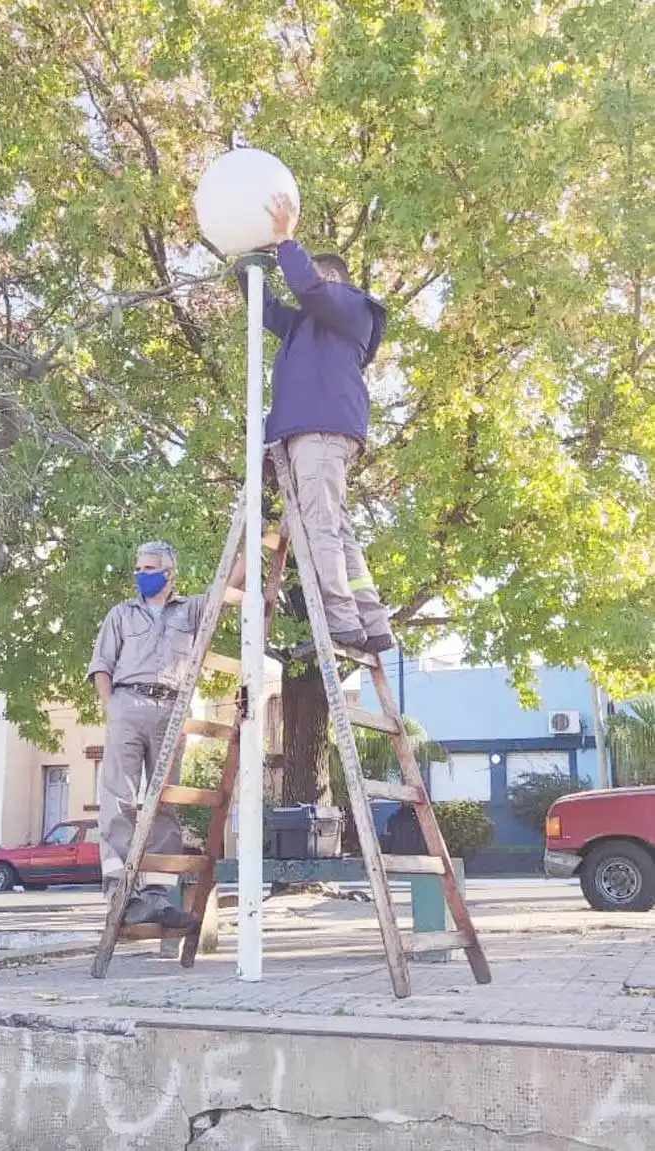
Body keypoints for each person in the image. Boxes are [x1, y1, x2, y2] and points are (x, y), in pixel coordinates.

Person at [240, 193, 395, 660]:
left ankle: (341, 623)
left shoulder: (351, 306)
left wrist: (286, 241)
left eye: (313, 278)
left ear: (331, 279)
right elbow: (267, 311)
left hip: (321, 431)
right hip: (318, 432)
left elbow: (308, 289)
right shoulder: (306, 328)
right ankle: (371, 618)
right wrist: (245, 264)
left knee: (319, 526)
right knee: (337, 528)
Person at [87, 540, 243, 928]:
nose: (143, 574)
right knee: (119, 796)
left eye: (151, 568)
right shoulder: (120, 615)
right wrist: (113, 708)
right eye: (139, 568)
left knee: (164, 800)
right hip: (128, 701)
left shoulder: (189, 610)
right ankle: (120, 892)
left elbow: (224, 590)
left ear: (170, 573)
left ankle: (157, 894)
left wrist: (250, 544)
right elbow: (101, 665)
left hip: (172, 708)